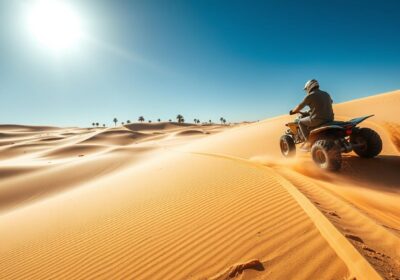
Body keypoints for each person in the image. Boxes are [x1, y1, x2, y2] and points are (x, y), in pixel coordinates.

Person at [289, 79, 334, 147]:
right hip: (330, 119)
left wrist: (293, 111)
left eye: (306, 88)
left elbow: (300, 106)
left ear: (309, 87)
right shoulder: (326, 93)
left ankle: (308, 142)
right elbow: (330, 102)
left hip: (317, 120)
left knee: (300, 122)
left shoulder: (310, 96)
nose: (306, 90)